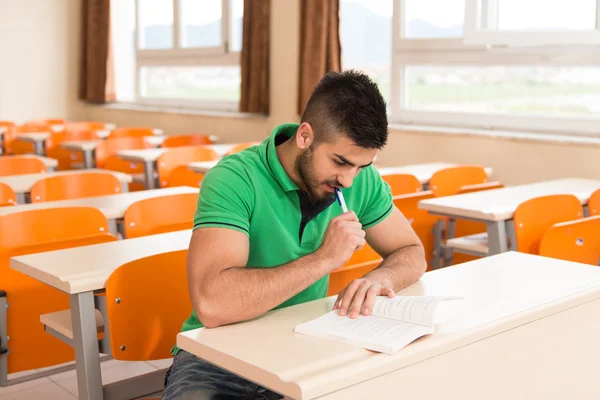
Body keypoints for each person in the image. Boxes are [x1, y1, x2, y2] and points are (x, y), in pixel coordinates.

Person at [161, 70, 427, 400]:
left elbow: (411, 252)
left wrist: (382, 278)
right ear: (304, 136)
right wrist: (323, 259)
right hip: (217, 357)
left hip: (307, 344)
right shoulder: (234, 179)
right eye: (340, 162)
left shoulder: (360, 180)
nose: (349, 181)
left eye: (362, 166)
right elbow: (212, 304)